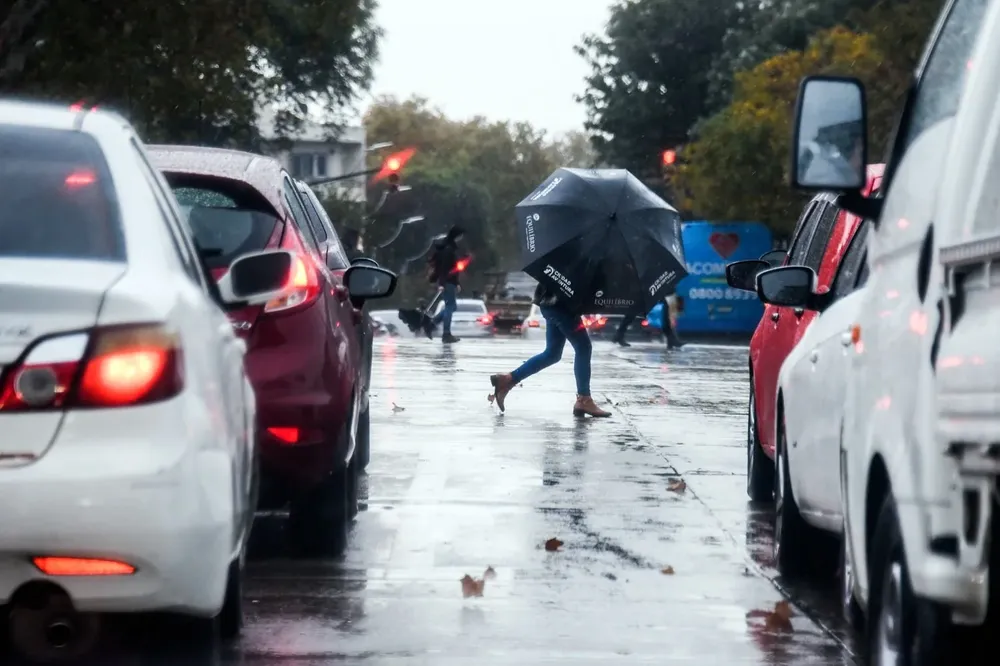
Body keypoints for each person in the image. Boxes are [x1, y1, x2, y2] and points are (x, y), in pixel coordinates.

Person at [489, 283, 611, 418]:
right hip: (562, 305)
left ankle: (507, 380)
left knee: (552, 353)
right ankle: (584, 399)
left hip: (549, 303)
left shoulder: (559, 263)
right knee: (583, 347)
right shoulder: (578, 263)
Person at [423, 225, 465, 344]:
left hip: (449, 281)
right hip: (447, 282)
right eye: (460, 236)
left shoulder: (449, 248)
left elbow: (453, 269)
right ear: (457, 236)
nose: (461, 238)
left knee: (451, 307)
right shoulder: (448, 249)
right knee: (450, 307)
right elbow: (444, 268)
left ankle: (432, 324)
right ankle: (446, 334)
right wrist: (442, 283)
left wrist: (457, 282)